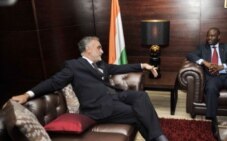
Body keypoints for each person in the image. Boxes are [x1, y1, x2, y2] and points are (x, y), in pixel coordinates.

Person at [11, 36, 168, 141]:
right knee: (138, 113)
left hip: (114, 96)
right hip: (98, 107)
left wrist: (143, 65)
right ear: (88, 50)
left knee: (141, 97)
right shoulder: (73, 66)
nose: (102, 50)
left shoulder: (101, 64)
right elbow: (53, 82)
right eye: (99, 48)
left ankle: (157, 136)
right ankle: (159, 137)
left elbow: (119, 68)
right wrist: (27, 94)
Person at [186, 27, 227, 121]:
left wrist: (221, 67)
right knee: (210, 89)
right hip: (212, 76)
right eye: (208, 35)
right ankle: (211, 118)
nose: (209, 38)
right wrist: (204, 62)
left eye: (212, 36)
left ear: (219, 37)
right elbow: (190, 55)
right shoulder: (202, 47)